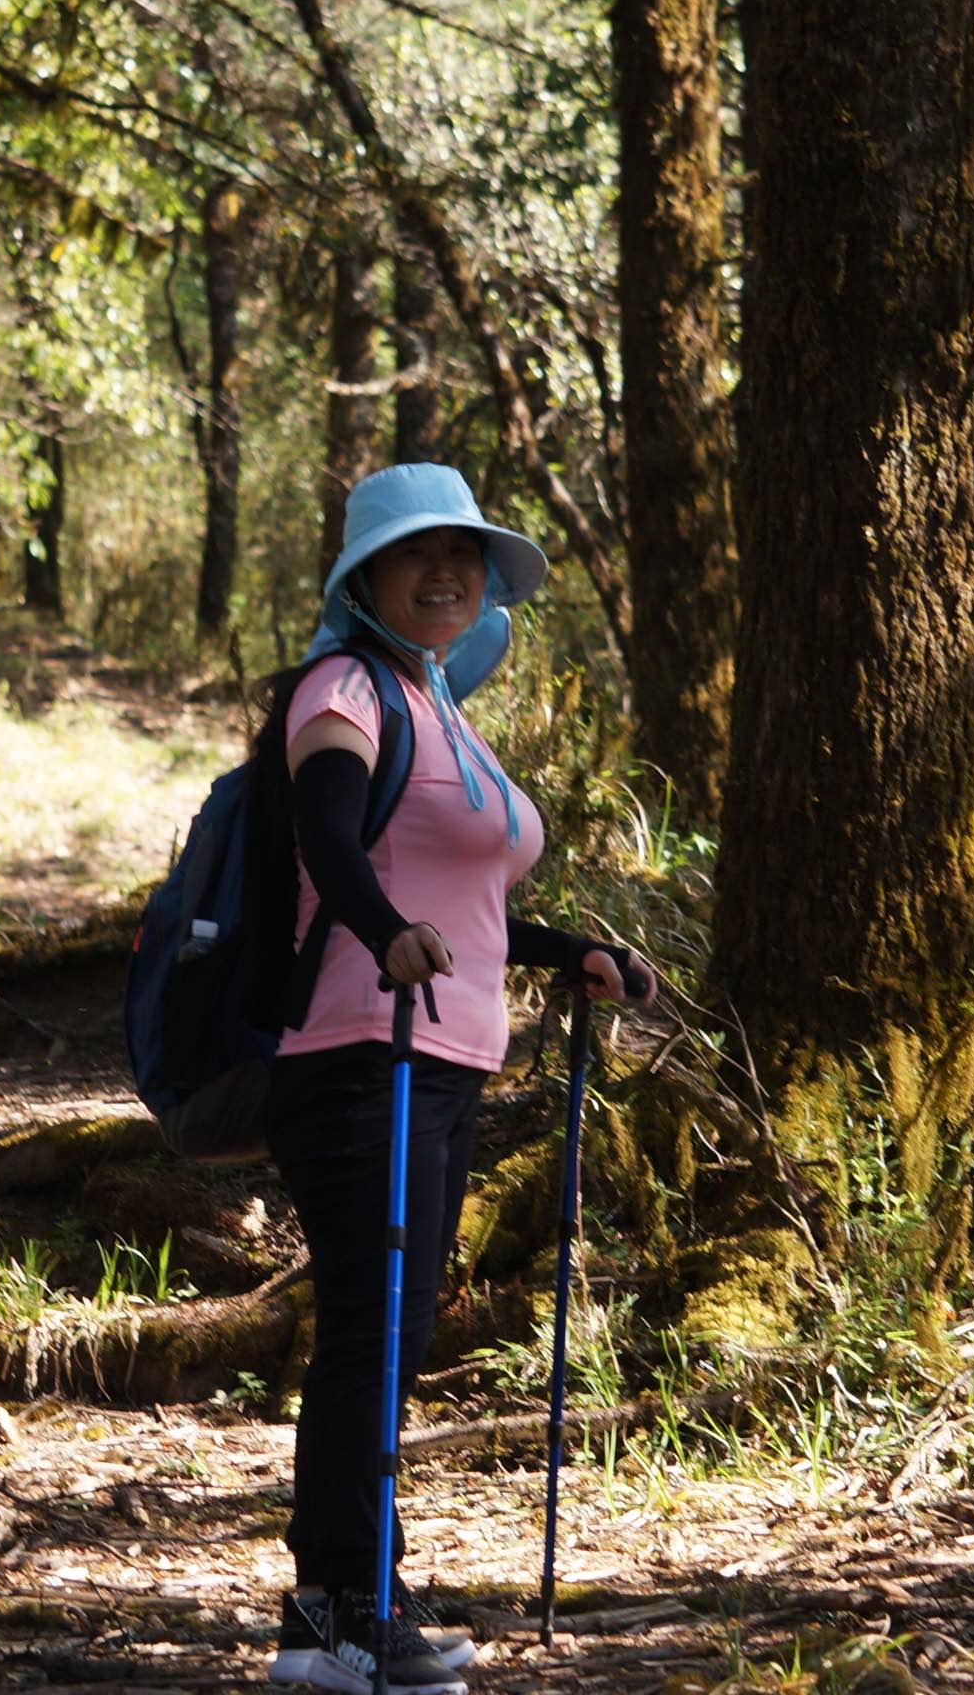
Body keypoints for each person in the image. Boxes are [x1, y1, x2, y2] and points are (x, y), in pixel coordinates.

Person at [264, 462, 653, 1693]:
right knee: (370, 1330)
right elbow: (328, 833)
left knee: (398, 1325)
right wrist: (381, 931)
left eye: (466, 555)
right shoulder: (343, 688)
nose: (447, 573)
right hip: (356, 1048)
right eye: (417, 553)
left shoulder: (440, 701)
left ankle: (363, 1594)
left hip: (439, 1051)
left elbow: (469, 905)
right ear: (365, 578)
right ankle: (330, 1615)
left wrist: (575, 950)